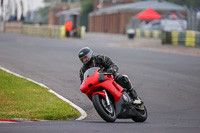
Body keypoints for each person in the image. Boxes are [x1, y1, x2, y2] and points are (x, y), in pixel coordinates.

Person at [78, 47, 143, 105]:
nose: (85, 60)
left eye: (85, 57)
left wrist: (110, 71)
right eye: (82, 59)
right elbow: (83, 82)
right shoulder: (82, 70)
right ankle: (101, 102)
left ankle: (135, 97)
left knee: (123, 78)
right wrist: (83, 87)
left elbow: (114, 66)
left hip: (109, 77)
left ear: (90, 55)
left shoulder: (101, 58)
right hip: (97, 83)